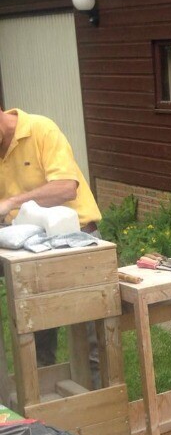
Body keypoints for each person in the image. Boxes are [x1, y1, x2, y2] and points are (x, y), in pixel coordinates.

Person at [0, 107, 102, 369]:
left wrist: (11, 201)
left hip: (77, 239)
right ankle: (41, 403)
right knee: (36, 338)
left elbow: (66, 187)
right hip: (30, 248)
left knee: (92, 339)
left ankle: (101, 402)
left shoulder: (40, 129)